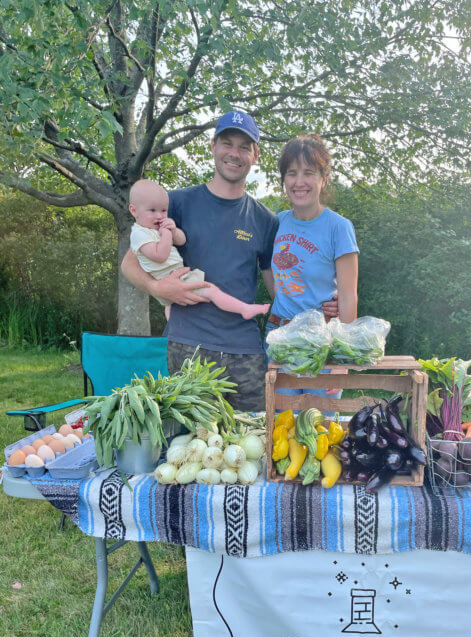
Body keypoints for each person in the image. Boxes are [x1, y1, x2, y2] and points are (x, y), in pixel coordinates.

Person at [121, 110, 338, 411]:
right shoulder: (176, 203)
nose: (234, 153)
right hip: (188, 348)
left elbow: (282, 287)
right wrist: (159, 290)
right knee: (193, 448)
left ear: (255, 154)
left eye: (244, 147)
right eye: (227, 143)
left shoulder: (266, 220)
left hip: (246, 353)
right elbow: (130, 264)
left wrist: (324, 306)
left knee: (255, 444)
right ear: (213, 146)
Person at [265, 134, 359, 397]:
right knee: (280, 429)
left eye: (308, 172)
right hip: (280, 336)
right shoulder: (275, 223)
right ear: (284, 179)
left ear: (323, 178)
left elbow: (349, 294)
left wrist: (344, 361)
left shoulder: (338, 227)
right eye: (291, 173)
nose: (299, 182)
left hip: (323, 340)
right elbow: (268, 271)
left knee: (320, 430)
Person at [128, 178, 270, 322]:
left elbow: (182, 240)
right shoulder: (139, 234)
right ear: (134, 210)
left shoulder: (156, 227)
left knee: (172, 307)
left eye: (164, 211)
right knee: (211, 291)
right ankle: (244, 309)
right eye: (152, 210)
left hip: (176, 275)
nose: (159, 215)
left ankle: (174, 325)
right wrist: (165, 235)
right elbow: (160, 256)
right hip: (170, 278)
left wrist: (174, 230)